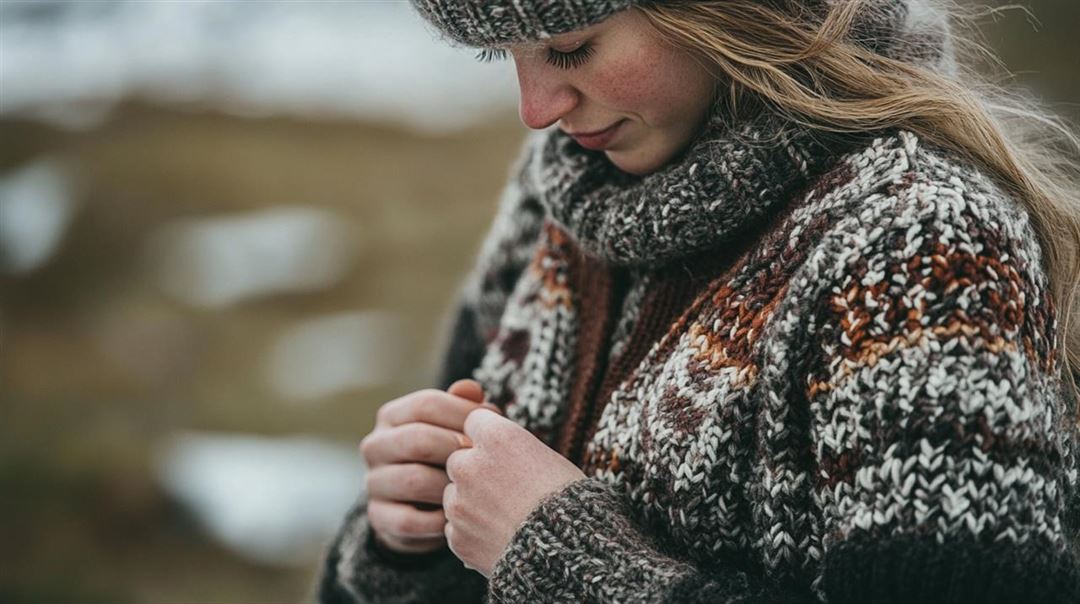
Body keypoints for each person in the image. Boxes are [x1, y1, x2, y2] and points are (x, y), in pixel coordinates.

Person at [318, 0, 1080, 602]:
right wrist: (402, 539)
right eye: (501, 54)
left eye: (571, 47)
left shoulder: (923, 245)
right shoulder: (556, 198)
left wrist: (565, 559)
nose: (537, 108)